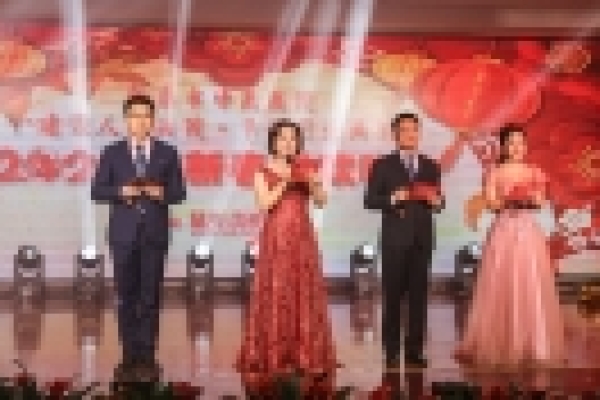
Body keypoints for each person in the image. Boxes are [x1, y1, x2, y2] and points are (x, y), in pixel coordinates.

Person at [91, 95, 186, 376]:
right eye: (135, 115)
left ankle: (146, 352)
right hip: (123, 234)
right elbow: (97, 191)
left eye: (146, 116)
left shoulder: (167, 152)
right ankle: (129, 351)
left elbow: (179, 193)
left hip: (155, 234)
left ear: (153, 120)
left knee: (150, 295)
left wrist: (161, 192)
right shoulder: (112, 152)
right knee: (126, 295)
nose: (141, 121)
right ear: (126, 120)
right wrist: (121, 191)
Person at [455, 124, 565, 367]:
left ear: (526, 146)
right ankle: (501, 344)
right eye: (511, 143)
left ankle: (534, 344)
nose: (516, 147)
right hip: (504, 230)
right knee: (500, 283)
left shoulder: (535, 172)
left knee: (530, 283)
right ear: (503, 146)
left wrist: (528, 198)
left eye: (520, 143)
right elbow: (491, 203)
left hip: (528, 232)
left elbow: (540, 202)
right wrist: (509, 198)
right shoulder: (494, 172)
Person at [236, 119, 336, 379]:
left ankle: (306, 354)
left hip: (302, 239)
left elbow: (322, 202)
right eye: (283, 138)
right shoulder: (262, 172)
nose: (289, 143)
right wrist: (285, 181)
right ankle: (274, 354)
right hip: (277, 240)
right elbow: (265, 204)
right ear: (273, 142)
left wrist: (314, 184)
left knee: (304, 292)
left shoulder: (304, 170)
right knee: (277, 292)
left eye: (293, 138)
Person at [364, 113, 444, 369]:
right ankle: (391, 351)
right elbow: (369, 200)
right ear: (395, 134)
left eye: (414, 130)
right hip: (395, 240)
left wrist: (437, 202)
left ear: (419, 133)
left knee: (419, 298)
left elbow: (439, 200)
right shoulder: (383, 165)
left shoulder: (431, 166)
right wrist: (392, 198)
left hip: (422, 239)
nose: (410, 134)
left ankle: (414, 351)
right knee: (393, 297)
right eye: (404, 130)